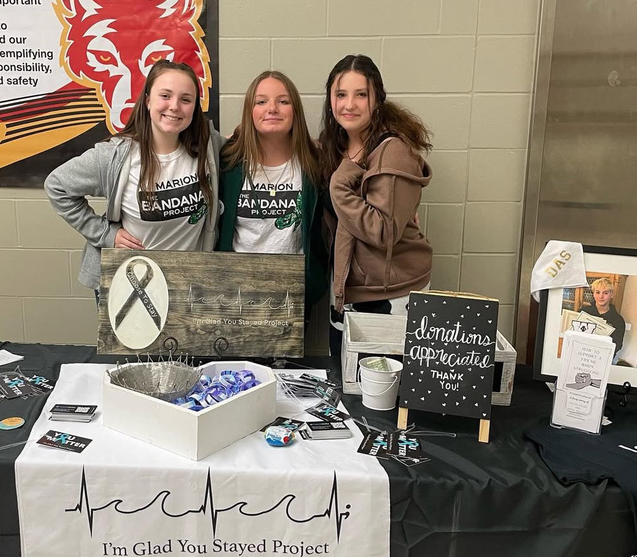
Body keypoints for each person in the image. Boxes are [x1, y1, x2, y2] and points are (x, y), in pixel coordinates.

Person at [45, 60, 224, 293]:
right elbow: (57, 185)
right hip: (130, 286)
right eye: (165, 96)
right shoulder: (116, 156)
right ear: (148, 100)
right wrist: (105, 234)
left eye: (186, 99)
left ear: (194, 107)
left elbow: (248, 148)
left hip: (187, 286)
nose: (175, 106)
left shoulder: (208, 149)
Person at [319, 55, 433, 355]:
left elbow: (384, 231)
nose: (349, 104)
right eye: (341, 94)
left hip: (389, 294)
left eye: (361, 94)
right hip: (348, 290)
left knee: (380, 392)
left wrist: (340, 187)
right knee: (346, 384)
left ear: (377, 100)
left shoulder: (392, 152)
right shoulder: (337, 146)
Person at [217, 71, 328, 318]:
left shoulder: (315, 163)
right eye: (261, 101)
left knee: (287, 360)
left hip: (292, 295)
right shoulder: (227, 163)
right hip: (236, 295)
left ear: (295, 110)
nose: (272, 108)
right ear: (250, 112)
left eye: (283, 101)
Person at [581, 277, 626, 361]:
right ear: (593, 294)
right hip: (582, 355)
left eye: (605, 293)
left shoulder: (618, 320)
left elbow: (618, 344)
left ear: (611, 294)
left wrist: (603, 353)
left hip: (604, 359)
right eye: (597, 292)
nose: (601, 296)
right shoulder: (583, 312)